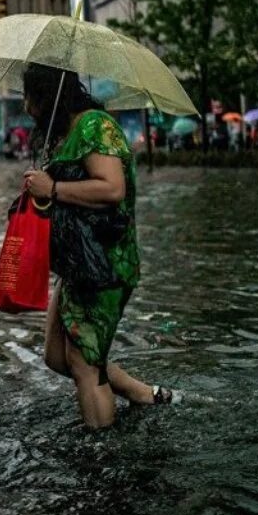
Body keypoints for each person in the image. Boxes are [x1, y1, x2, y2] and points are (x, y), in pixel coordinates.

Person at [20, 63, 176, 429]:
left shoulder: (95, 126)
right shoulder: (65, 133)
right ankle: (140, 393)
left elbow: (111, 188)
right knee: (57, 356)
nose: (27, 107)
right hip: (78, 263)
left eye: (30, 97)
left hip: (104, 264)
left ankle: (102, 458)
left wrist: (54, 188)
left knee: (84, 364)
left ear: (48, 96)